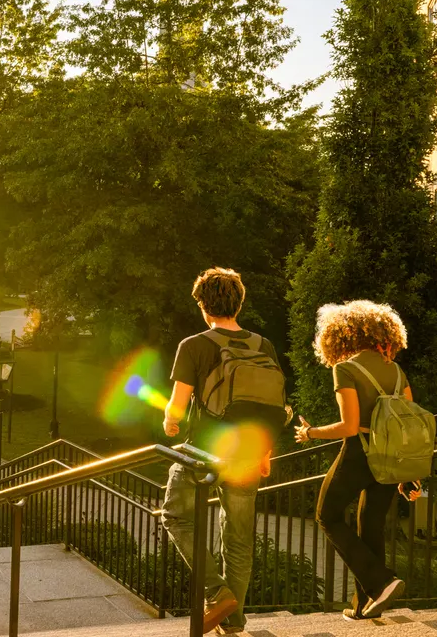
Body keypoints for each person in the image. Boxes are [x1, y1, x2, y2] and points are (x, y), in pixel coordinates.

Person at [161, 267, 285, 634]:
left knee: (175, 516)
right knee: (238, 540)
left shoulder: (194, 345)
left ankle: (215, 592)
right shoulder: (264, 345)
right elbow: (269, 405)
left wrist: (169, 424)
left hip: (204, 453)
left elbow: (177, 408)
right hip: (248, 453)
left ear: (203, 305)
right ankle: (233, 622)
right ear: (239, 303)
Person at [294, 300, 419, 620]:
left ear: (341, 337)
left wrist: (311, 433)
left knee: (327, 515)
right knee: (371, 526)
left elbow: (349, 426)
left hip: (360, 452)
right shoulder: (396, 370)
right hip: (391, 457)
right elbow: (409, 423)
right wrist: (409, 475)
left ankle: (381, 582)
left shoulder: (345, 369)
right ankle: (365, 604)